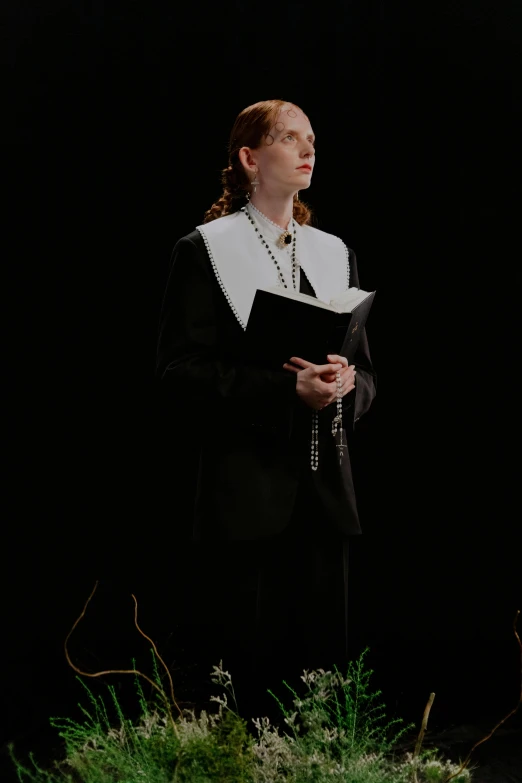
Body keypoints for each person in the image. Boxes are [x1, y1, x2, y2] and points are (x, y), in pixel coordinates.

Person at [155, 99, 376, 721]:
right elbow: (178, 374)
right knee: (244, 669)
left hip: (325, 492)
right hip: (243, 493)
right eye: (288, 137)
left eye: (311, 137)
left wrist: (344, 385)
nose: (308, 149)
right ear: (250, 158)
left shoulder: (334, 251)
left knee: (319, 673)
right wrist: (286, 393)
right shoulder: (204, 250)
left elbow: (370, 376)